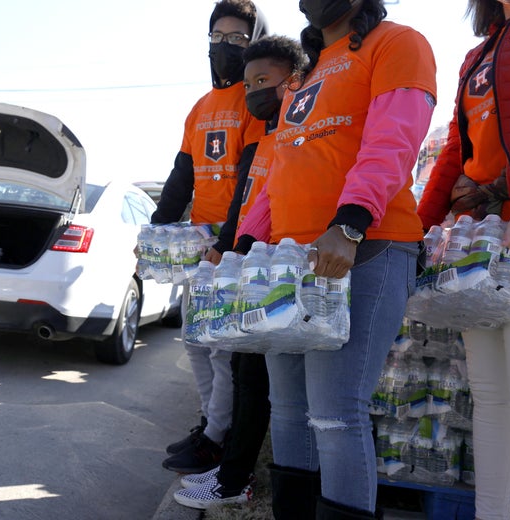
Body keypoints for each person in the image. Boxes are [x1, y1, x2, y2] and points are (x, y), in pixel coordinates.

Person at [234, 0, 437, 518]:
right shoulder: (308, 71)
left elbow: (394, 140)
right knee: (288, 410)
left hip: (366, 248)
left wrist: (349, 222)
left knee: (335, 413)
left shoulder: (398, 42)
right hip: (293, 261)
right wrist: (243, 247)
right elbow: (282, 168)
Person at [171, 34, 308, 510]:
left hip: (285, 270)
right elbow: (254, 203)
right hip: (253, 265)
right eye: (249, 83)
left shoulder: (298, 132)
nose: (254, 92)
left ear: (294, 81)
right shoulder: (269, 135)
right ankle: (231, 473)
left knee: (269, 389)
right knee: (247, 374)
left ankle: (235, 479)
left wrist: (241, 246)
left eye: (263, 81)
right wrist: (234, 248)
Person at [417, 1, 510, 518]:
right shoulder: (477, 54)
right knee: (489, 396)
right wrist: (418, 227)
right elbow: (456, 150)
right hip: (478, 240)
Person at [152, 0, 267, 475]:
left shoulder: (255, 99)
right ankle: (209, 425)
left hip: (235, 244)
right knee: (196, 341)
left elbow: (250, 175)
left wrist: (231, 241)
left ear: (254, 41)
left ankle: (218, 438)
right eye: (217, 38)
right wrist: (156, 228)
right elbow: (183, 173)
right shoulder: (200, 106)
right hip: (198, 243)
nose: (225, 47)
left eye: (238, 38)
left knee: (221, 347)